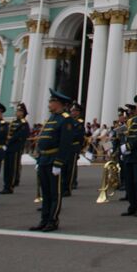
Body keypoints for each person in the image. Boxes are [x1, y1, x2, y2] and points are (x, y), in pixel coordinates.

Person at [30, 89, 78, 232]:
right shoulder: (51, 118)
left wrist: (58, 162)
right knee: (45, 192)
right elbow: (43, 140)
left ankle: (52, 220)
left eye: (51, 101)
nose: (49, 104)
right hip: (44, 158)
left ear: (58, 103)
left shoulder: (65, 119)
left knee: (54, 193)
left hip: (54, 159)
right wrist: (39, 159)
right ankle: (44, 220)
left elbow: (65, 143)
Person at [2, 103, 30, 193]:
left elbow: (21, 135)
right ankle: (6, 183)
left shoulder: (24, 123)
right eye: (17, 111)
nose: (17, 113)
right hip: (9, 147)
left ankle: (11, 184)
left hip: (16, 147)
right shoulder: (13, 122)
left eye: (19, 111)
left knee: (13, 166)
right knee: (7, 166)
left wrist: (10, 140)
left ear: (23, 113)